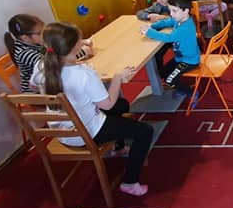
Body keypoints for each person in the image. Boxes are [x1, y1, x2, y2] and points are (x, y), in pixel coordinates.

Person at [31, 23, 153, 197]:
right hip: (87, 133)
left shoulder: (41, 66)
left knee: (122, 106)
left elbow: (34, 87)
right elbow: (107, 105)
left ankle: (117, 149)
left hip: (60, 132)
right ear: (75, 46)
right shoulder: (84, 74)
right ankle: (130, 182)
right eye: (80, 40)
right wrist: (117, 78)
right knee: (145, 131)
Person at [143, 0, 201, 90]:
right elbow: (167, 22)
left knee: (169, 80)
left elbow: (169, 38)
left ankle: (189, 92)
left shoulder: (185, 28)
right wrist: (153, 26)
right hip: (180, 58)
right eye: (170, 10)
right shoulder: (180, 19)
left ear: (186, 11)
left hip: (189, 61)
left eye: (174, 11)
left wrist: (150, 32)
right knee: (162, 73)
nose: (171, 14)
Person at [4, 14, 44, 93]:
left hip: (43, 79)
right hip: (35, 93)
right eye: (39, 33)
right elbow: (50, 66)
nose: (43, 34)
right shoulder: (25, 53)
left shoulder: (34, 42)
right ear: (25, 37)